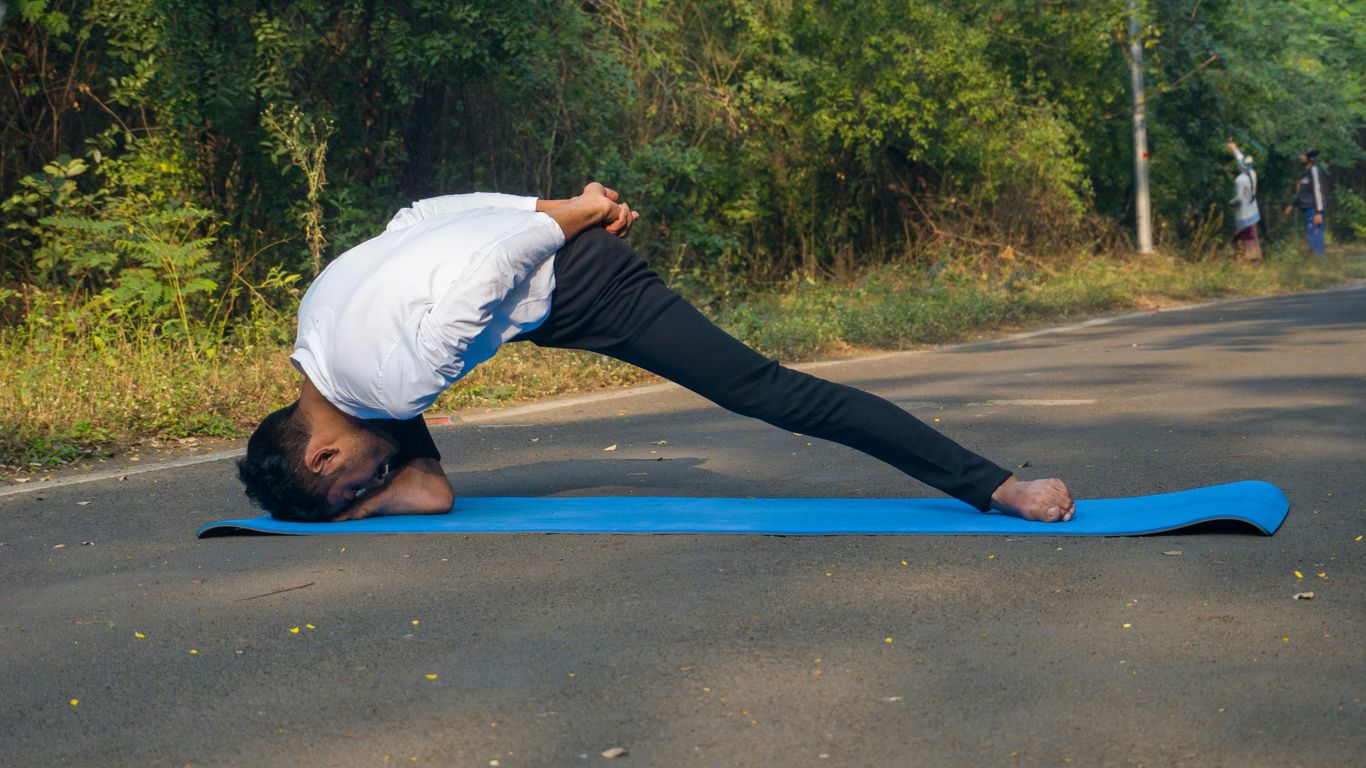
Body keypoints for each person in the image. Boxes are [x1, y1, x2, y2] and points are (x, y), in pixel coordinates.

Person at [237, 183, 1075, 524]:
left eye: (358, 483)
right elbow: (419, 216)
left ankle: (996, 485)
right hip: (538, 275)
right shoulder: (313, 328)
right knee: (414, 455)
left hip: (582, 279)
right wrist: (548, 201)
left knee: (766, 391)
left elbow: (492, 266)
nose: (381, 479)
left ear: (320, 451)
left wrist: (570, 213)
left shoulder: (392, 382)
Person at [1283, 149, 1327, 255]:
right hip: (1307, 209)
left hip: (1313, 210)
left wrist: (1318, 212)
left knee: (1315, 234)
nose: (1300, 157)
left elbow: (1317, 191)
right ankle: (1315, 256)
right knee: (1310, 233)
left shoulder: (1314, 170)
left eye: (1303, 155)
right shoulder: (1305, 173)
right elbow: (1300, 192)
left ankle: (1318, 258)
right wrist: (1292, 205)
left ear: (1309, 159)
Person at [1225, 141, 1260, 258]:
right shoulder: (1253, 173)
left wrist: (1229, 203)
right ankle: (1254, 257)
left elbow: (1239, 199)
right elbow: (1242, 159)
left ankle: (1243, 258)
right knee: (1252, 237)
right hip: (1253, 213)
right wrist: (1234, 148)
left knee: (1242, 237)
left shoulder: (1240, 179)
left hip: (1243, 215)